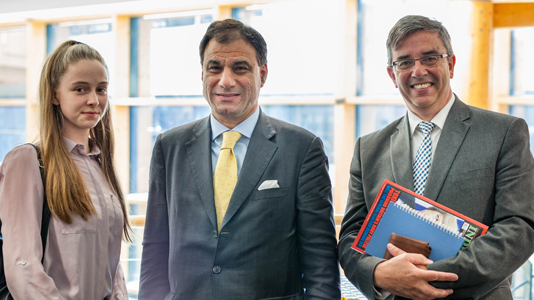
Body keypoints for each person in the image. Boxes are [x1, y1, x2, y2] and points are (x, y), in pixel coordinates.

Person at [139, 19, 340, 300]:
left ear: (263, 74)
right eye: (215, 68)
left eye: (240, 68)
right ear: (202, 74)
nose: (226, 80)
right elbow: (155, 249)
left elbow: (321, 264)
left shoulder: (302, 148)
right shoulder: (169, 146)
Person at [338, 15, 534, 300]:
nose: (418, 71)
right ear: (393, 75)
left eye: (430, 58)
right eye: (404, 62)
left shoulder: (504, 132)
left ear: (450, 65)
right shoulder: (368, 149)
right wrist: (380, 273)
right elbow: (350, 238)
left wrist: (428, 276)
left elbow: (520, 227)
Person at [0, 40, 131, 299]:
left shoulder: (100, 165)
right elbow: (22, 268)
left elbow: (111, 266)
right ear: (54, 94)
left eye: (101, 89)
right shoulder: (27, 161)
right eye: (80, 89)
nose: (94, 100)